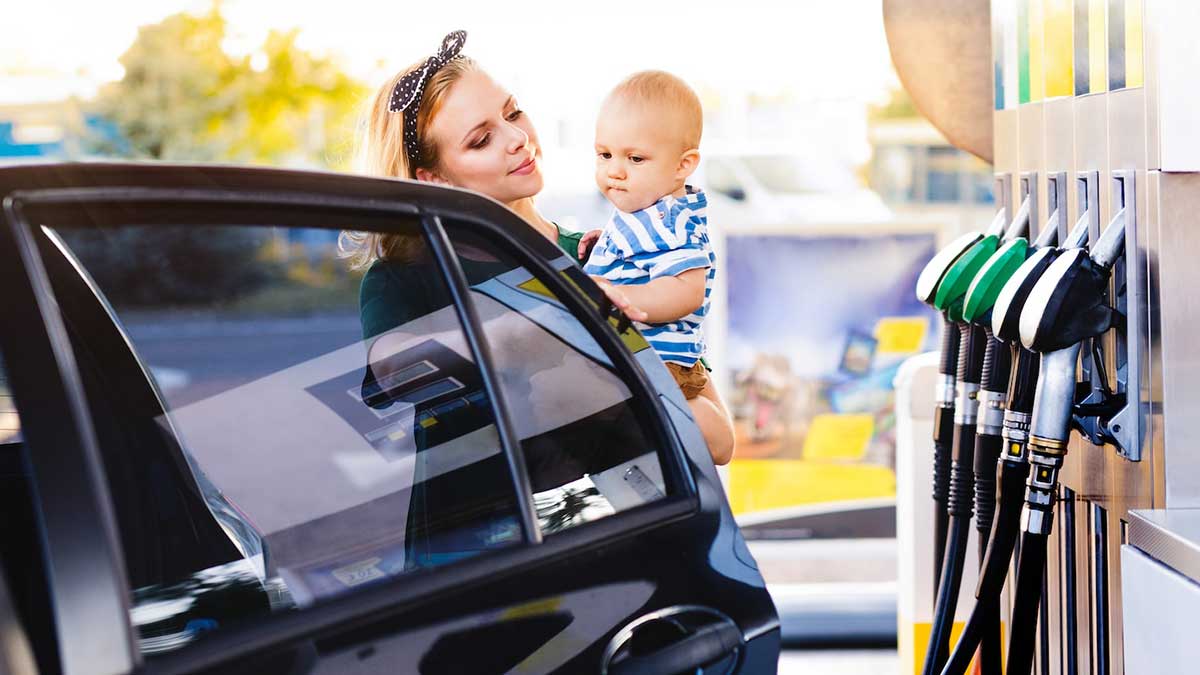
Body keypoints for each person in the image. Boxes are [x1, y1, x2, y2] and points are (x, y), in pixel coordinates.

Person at [345, 31, 734, 465]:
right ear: (433, 180)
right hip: (481, 531)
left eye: (514, 113)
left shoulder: (604, 259)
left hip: (613, 522)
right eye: (481, 139)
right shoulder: (404, 280)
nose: (516, 137)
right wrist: (543, 325)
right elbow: (394, 371)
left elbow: (718, 442)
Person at [580, 71, 733, 464]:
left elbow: (686, 289)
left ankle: (715, 433)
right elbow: (646, 261)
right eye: (604, 154)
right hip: (645, 356)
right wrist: (607, 254)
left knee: (703, 432)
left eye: (635, 158)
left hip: (656, 360)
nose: (615, 170)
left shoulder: (667, 221)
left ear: (683, 166)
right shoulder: (646, 212)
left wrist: (618, 297)